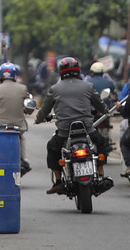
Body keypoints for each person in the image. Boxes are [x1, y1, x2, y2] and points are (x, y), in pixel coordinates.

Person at [34, 56, 110, 194]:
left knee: (52, 148)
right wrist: (105, 110)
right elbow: (100, 105)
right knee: (101, 144)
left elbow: (44, 110)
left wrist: (39, 119)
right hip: (87, 130)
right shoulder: (88, 86)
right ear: (78, 71)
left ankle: (58, 181)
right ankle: (100, 174)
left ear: (61, 72)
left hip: (65, 132)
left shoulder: (55, 89)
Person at [0, 62, 34, 175]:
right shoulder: (23, 88)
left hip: (0, 125)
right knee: (21, 138)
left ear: (0, 75)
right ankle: (23, 159)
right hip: (18, 125)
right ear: (15, 75)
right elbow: (29, 107)